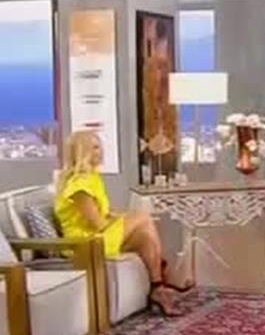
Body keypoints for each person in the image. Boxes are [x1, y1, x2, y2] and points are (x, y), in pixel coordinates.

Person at [54, 130, 186, 316]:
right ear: (82, 152)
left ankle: (158, 288)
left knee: (145, 236)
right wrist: (125, 219)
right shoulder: (79, 186)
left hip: (97, 237)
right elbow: (99, 224)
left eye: (100, 146)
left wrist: (120, 217)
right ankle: (167, 277)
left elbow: (105, 214)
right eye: (95, 147)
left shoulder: (92, 178)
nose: (100, 151)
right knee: (143, 217)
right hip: (84, 243)